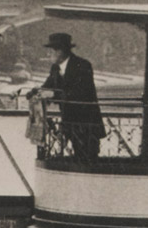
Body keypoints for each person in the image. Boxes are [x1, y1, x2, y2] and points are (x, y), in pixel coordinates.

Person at [31, 32, 103, 160]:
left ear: (60, 51)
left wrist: (53, 94)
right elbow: (48, 85)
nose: (48, 54)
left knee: (88, 161)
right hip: (69, 124)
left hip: (87, 125)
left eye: (50, 51)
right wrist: (33, 92)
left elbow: (80, 93)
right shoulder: (55, 68)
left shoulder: (83, 66)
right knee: (75, 160)